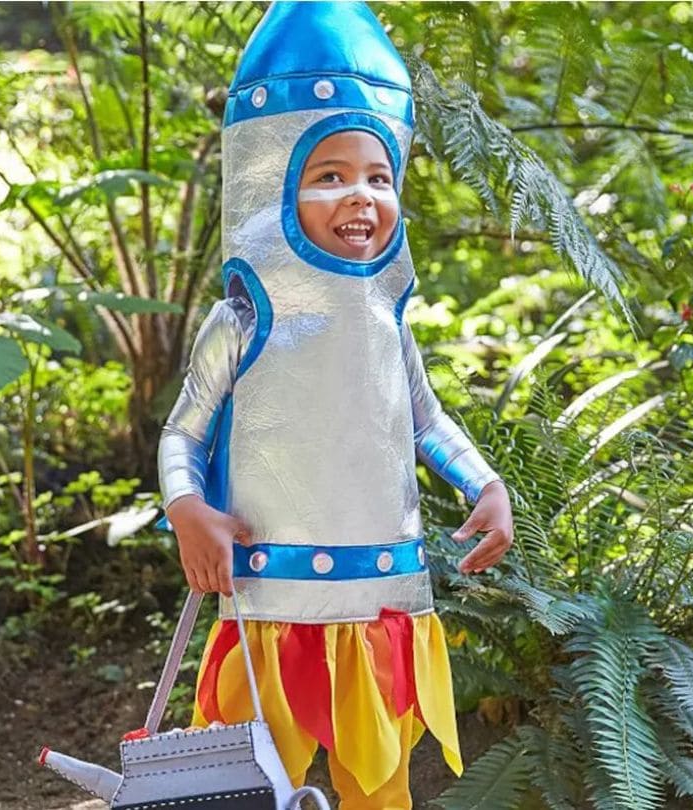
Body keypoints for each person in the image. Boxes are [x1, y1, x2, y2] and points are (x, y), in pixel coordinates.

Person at [158, 3, 513, 808]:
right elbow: (184, 429)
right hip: (266, 604)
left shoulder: (384, 324)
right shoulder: (245, 320)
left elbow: (423, 419)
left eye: (378, 175)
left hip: (377, 602)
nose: (361, 195)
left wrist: (484, 482)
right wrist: (187, 509)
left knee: (377, 787)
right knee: (249, 786)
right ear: (272, 179)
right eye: (329, 175)